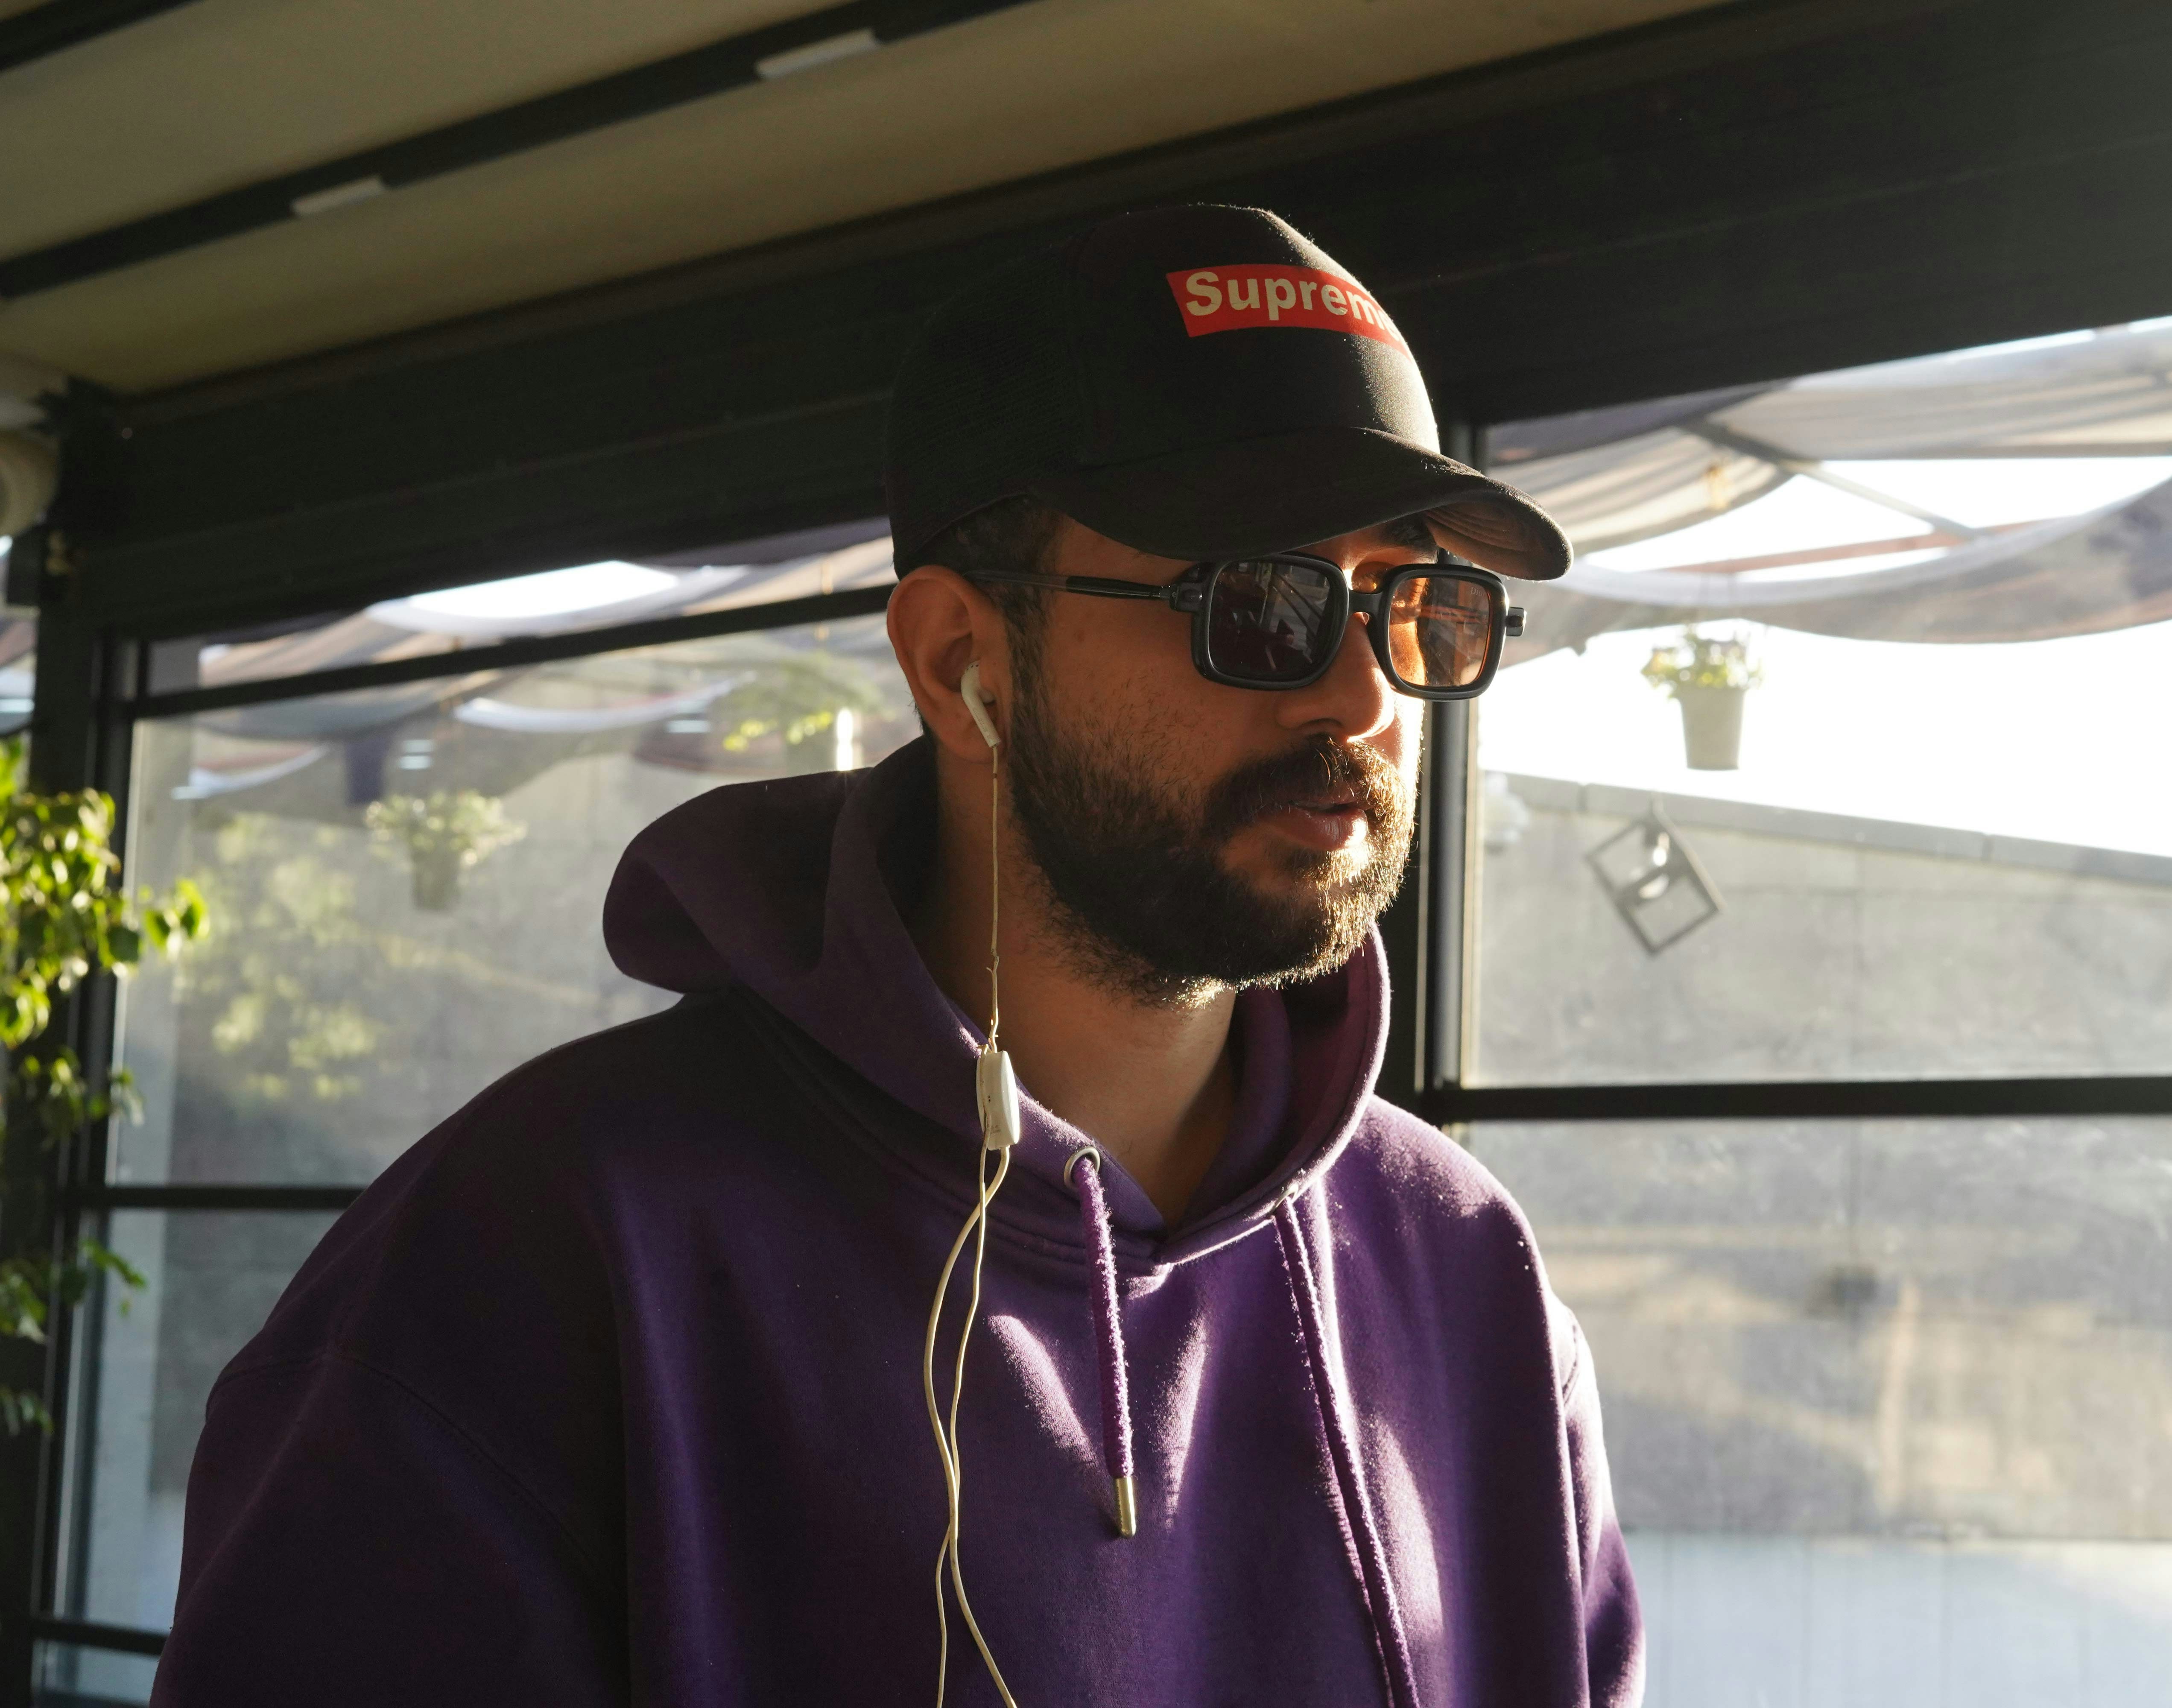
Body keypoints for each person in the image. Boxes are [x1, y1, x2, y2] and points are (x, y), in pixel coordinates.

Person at [155, 203, 1641, 1707]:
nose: (1364, 699)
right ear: (960, 661)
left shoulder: (1472, 1281)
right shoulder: (537, 1259)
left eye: (1413, 608)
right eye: (1260, 603)